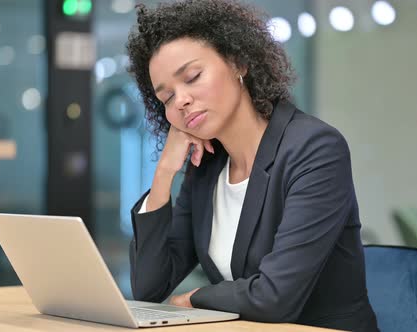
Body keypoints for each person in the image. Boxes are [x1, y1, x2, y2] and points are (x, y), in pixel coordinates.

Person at [125, 1, 379, 331]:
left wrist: (195, 298)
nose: (181, 101)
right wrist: (164, 174)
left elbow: (275, 297)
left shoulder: (315, 149)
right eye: (167, 98)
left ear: (238, 62)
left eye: (192, 77)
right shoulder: (207, 167)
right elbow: (149, 288)